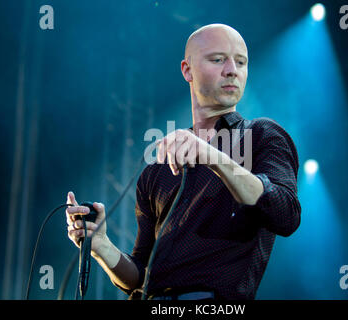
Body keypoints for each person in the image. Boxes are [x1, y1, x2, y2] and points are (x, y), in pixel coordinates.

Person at [65, 23, 301, 300]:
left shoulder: (260, 134)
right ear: (187, 70)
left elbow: (286, 214)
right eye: (218, 59)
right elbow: (140, 276)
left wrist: (211, 156)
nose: (232, 70)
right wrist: (102, 246)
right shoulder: (156, 170)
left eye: (241, 62)